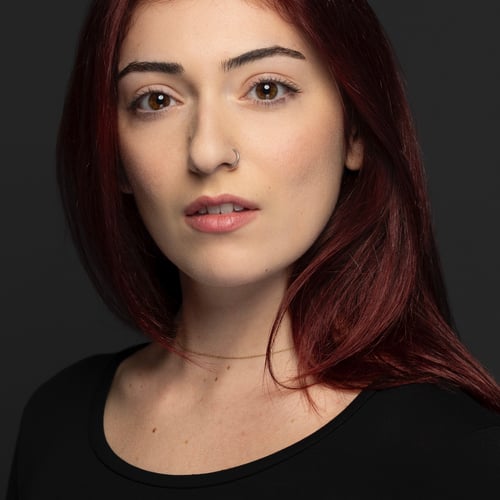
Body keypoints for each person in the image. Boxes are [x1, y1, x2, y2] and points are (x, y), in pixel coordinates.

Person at [7, 0, 500, 498]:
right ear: (114, 154)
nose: (207, 151)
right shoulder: (55, 426)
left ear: (354, 130)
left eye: (266, 89)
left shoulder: (455, 453)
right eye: (156, 100)